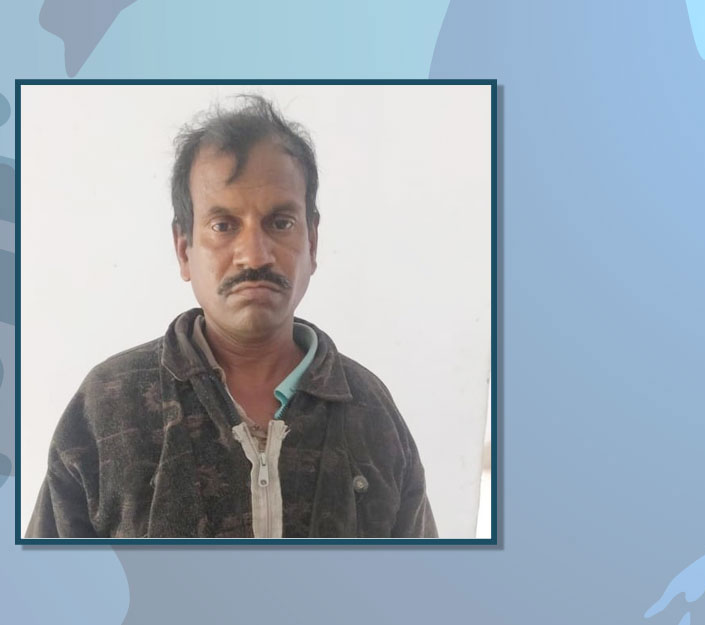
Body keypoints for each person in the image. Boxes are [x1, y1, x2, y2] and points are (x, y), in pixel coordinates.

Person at [27, 94, 436, 538]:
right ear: (184, 249)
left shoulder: (370, 413)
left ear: (312, 242)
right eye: (223, 225)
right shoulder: (109, 406)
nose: (254, 255)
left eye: (280, 223)